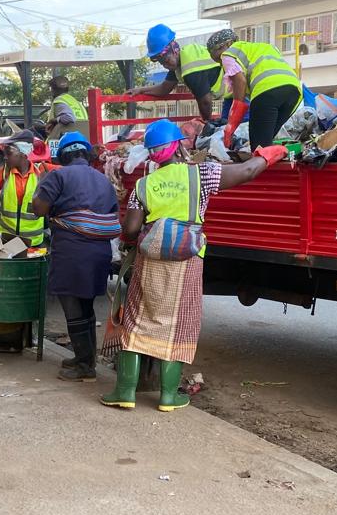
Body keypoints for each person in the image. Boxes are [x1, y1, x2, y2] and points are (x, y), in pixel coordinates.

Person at [102, 119, 286, 412]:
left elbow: (132, 229)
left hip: (150, 261)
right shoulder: (201, 174)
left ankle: (125, 392)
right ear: (180, 146)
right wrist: (268, 156)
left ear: (152, 155)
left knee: (137, 322)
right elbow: (246, 171)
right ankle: (168, 396)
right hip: (187, 261)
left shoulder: (144, 184)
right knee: (180, 323)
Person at [31, 131, 120, 381]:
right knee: (87, 307)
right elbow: (113, 213)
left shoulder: (58, 175)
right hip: (98, 254)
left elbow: (39, 209)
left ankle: (85, 367)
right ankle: (86, 359)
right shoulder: (103, 180)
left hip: (72, 251)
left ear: (63, 156)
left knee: (72, 308)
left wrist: (40, 190)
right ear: (86, 154)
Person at [206, 28, 302, 150]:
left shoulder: (229, 53)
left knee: (258, 149)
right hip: (294, 92)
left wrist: (230, 128)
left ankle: (260, 167)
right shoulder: (264, 47)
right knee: (265, 143)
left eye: (218, 58)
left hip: (267, 92)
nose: (221, 63)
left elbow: (240, 82)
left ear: (228, 44)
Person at [126, 24, 227, 123]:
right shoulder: (180, 63)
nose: (165, 65)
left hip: (236, 91)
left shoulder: (190, 69)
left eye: (166, 60)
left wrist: (206, 124)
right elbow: (164, 88)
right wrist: (140, 90)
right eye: (161, 62)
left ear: (175, 49)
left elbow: (205, 102)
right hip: (232, 93)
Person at [0, 130, 55, 249]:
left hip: (33, 243)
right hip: (6, 240)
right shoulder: (4, 173)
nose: (5, 158)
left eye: (9, 154)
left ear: (22, 153)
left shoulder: (41, 173)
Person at [46, 75, 87, 141]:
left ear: (53, 89)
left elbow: (69, 118)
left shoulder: (59, 101)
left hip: (66, 141)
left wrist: (53, 120)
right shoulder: (75, 102)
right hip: (82, 139)